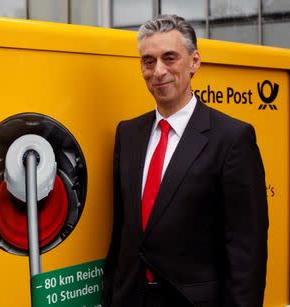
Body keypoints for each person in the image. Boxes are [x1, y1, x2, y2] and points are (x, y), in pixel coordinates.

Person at [102, 15, 268, 307]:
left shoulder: (232, 138)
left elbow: (246, 250)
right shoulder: (127, 134)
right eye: (148, 61)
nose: (159, 71)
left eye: (170, 58)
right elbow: (123, 233)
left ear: (194, 62)